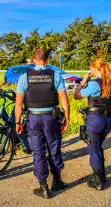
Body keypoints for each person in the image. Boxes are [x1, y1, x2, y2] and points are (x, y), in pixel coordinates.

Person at [15, 48, 70, 199]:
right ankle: (57, 180)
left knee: (38, 151)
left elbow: (18, 104)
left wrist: (17, 122)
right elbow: (64, 99)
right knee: (54, 147)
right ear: (47, 61)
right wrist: (66, 117)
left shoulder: (24, 77)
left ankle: (43, 186)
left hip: (33, 119)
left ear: (33, 61)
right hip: (51, 119)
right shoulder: (55, 75)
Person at [73, 58, 111, 190]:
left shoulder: (93, 84)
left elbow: (76, 95)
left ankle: (98, 181)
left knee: (94, 149)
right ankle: (102, 176)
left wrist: (83, 82)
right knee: (98, 147)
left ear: (95, 69)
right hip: (107, 119)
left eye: (91, 69)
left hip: (95, 120)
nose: (90, 71)